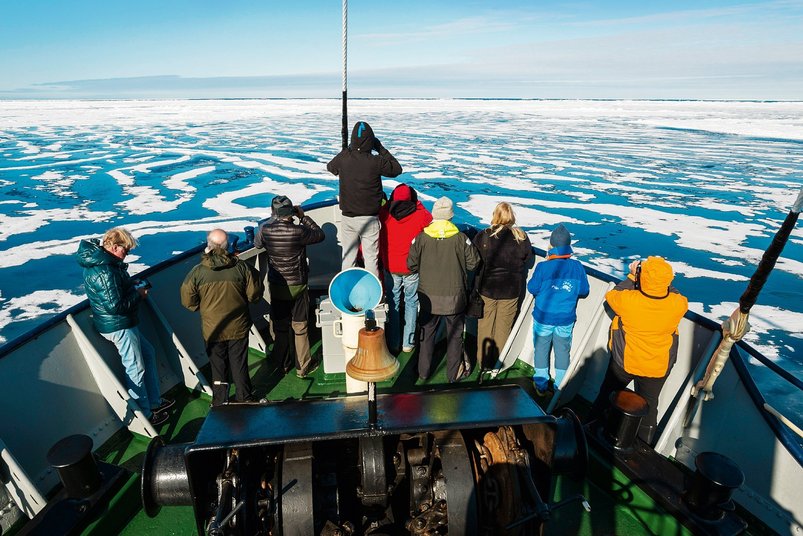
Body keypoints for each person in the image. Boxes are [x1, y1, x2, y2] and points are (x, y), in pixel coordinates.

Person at [76, 227, 173, 426]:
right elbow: (115, 306)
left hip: (124, 323)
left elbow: (114, 293)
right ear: (113, 246)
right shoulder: (105, 270)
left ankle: (154, 402)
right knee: (135, 368)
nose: (126, 254)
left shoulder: (108, 263)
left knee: (148, 353)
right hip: (119, 326)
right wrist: (138, 294)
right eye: (125, 250)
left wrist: (131, 285)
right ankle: (145, 416)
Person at [589, 256, 688, 443]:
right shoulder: (678, 305)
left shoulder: (628, 300)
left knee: (606, 394)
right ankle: (644, 447)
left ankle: (591, 429)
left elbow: (612, 294)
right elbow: (675, 293)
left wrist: (633, 276)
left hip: (624, 363)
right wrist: (659, 281)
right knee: (649, 408)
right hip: (656, 368)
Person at [181, 229, 263, 406]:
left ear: (208, 246)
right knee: (239, 363)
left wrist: (203, 308)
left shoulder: (197, 272)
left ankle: (220, 400)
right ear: (228, 247)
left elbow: (188, 301)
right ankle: (244, 397)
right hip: (238, 326)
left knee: (218, 366)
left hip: (213, 329)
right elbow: (254, 295)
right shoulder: (242, 268)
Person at [407, 197, 480, 382]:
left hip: (428, 298)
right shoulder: (461, 238)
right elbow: (474, 263)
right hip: (455, 298)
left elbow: (411, 264)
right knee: (455, 337)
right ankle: (452, 375)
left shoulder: (421, 237)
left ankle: (423, 372)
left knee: (426, 335)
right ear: (450, 216)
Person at [255, 196, 325, 377]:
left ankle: (283, 363)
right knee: (300, 327)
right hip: (298, 285)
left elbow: (257, 244)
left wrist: (272, 219)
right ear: (291, 212)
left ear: (273, 212)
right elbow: (319, 234)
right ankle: (303, 367)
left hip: (278, 285)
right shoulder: (299, 231)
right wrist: (303, 216)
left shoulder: (266, 230)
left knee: (280, 326)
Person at [327, 121, 402, 278]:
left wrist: (348, 150)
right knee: (371, 260)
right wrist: (380, 148)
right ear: (371, 141)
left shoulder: (344, 158)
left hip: (348, 218)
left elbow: (331, 167)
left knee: (348, 258)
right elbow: (396, 169)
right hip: (369, 219)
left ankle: (346, 291)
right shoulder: (376, 161)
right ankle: (372, 296)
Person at [527, 224, 590, 393]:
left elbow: (532, 288)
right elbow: (584, 290)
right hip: (565, 319)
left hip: (543, 318)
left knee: (541, 349)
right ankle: (560, 386)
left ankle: (541, 384)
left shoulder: (543, 267)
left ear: (552, 246)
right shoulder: (577, 267)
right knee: (562, 351)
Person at [473, 202, 534, 367]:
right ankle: (498, 365)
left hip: (488, 288)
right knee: (503, 328)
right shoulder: (521, 237)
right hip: (511, 290)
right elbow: (527, 256)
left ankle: (483, 363)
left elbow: (474, 257)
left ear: (495, 216)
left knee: (485, 326)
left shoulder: (484, 235)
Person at [378, 183, 432, 354]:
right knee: (411, 302)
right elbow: (429, 218)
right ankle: (408, 343)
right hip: (412, 268)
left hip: (391, 267)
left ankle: (393, 342)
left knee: (393, 303)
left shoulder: (385, 214)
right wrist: (417, 203)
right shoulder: (419, 215)